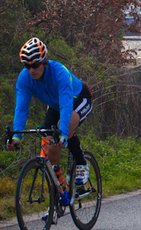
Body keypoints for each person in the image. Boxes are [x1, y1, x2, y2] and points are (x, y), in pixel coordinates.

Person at [7, 38, 94, 206]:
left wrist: (63, 134)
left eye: (35, 65)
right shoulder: (24, 78)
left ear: (44, 61)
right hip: (55, 106)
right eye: (27, 66)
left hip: (78, 100)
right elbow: (21, 108)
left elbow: (66, 105)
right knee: (50, 149)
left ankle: (82, 163)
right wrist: (16, 137)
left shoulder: (59, 72)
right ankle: (59, 194)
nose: (31, 70)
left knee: (64, 126)